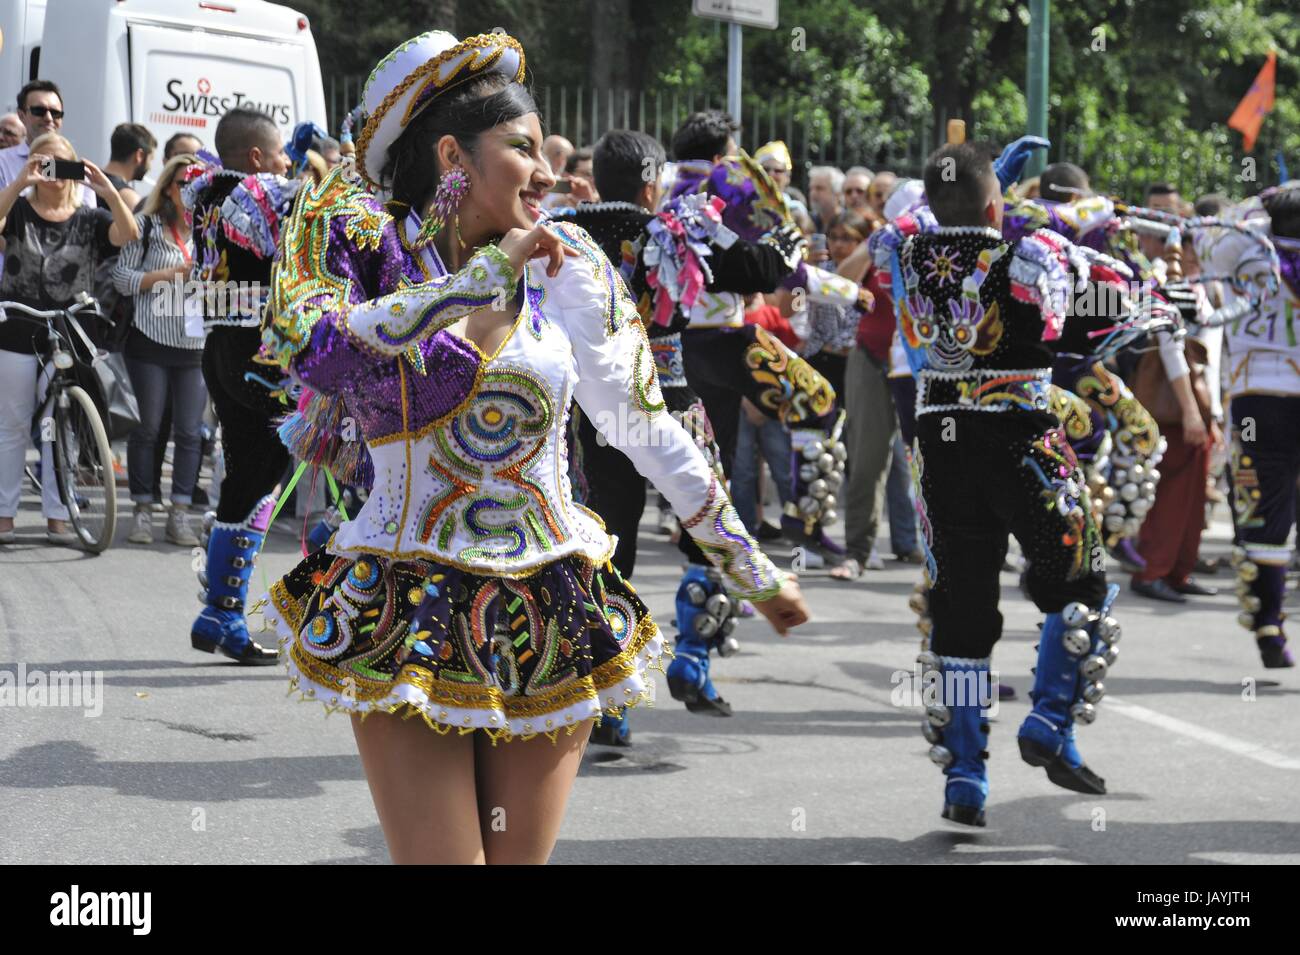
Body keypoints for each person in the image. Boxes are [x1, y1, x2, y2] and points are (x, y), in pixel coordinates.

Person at [258, 30, 808, 864]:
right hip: (404, 599)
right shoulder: (363, 246)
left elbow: (639, 422)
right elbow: (324, 351)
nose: (549, 172)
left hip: (547, 603)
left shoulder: (569, 261)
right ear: (453, 154)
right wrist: (479, 283)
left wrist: (745, 562)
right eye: (522, 147)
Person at [876, 142, 1130, 826]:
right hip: (1020, 436)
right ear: (996, 203)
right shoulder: (1031, 254)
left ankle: (964, 776)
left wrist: (996, 203)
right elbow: (1080, 319)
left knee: (959, 602)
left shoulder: (902, 254)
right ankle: (1049, 719)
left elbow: (915, 226)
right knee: (1078, 577)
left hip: (940, 445)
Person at [184, 106, 295, 664]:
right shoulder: (261, 193)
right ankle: (226, 612)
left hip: (219, 349)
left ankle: (222, 614)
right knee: (266, 474)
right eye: (280, 155)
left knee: (250, 478)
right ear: (256, 158)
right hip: (261, 354)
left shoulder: (203, 192)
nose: (287, 164)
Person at [0, 133, 139, 545]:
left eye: (62, 164)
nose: (52, 172)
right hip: (18, 325)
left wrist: (108, 191)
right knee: (13, 423)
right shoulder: (20, 209)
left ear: (76, 168)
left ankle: (59, 513)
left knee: (59, 424)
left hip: (71, 329)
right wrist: (18, 183)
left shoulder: (89, 215)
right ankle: (5, 513)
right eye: (44, 162)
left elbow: (128, 235)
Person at [1197, 183, 1300, 668]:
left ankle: (1268, 626)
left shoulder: (1246, 251)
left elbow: (1206, 241)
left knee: (1262, 510)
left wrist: (1260, 202)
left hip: (1257, 399)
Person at [112, 153, 205, 546]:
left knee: (189, 433)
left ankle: (179, 514)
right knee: (147, 429)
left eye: (198, 182)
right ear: (168, 186)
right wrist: (167, 275)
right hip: (149, 340)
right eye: (183, 182)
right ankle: (143, 510)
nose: (190, 189)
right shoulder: (147, 226)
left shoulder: (211, 231)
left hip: (196, 344)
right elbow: (121, 278)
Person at [0, 81, 95, 208]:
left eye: (56, 113)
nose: (49, 118)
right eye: (39, 111)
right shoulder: (3, 161)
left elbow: (89, 220)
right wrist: (18, 185)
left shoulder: (75, 168)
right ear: (21, 115)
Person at [101, 123, 156, 211]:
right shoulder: (130, 200)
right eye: (151, 159)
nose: (150, 167)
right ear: (139, 155)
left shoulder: (87, 181)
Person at [807, 164, 844, 233]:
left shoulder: (849, 223)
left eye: (819, 188)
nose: (813, 193)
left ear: (837, 193)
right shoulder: (807, 223)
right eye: (811, 189)